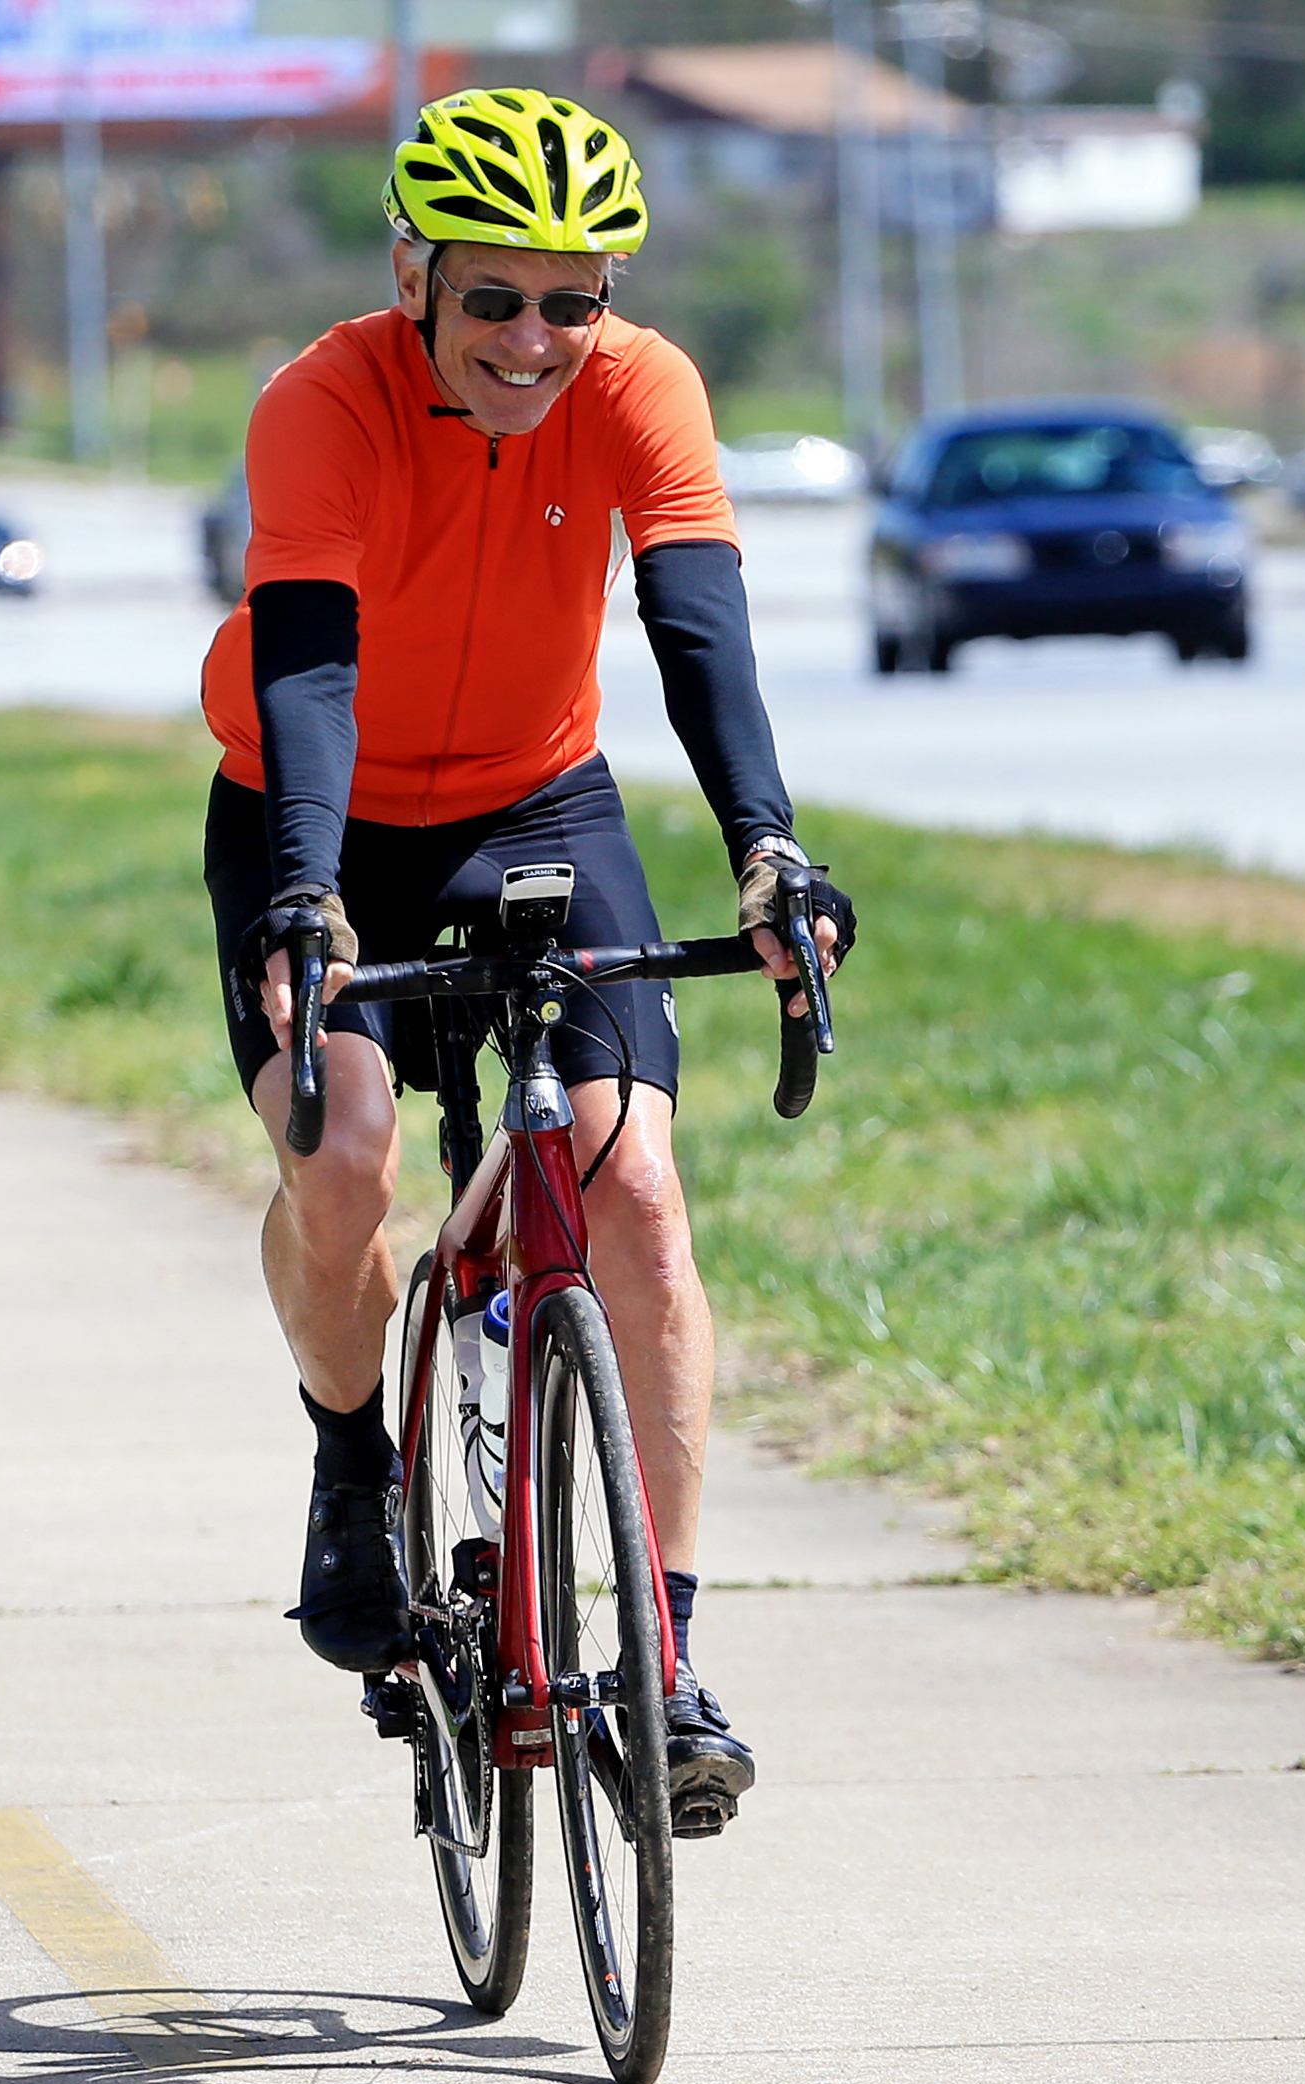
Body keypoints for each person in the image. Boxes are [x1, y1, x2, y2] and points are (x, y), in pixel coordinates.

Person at [201, 89, 854, 1832]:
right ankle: (357, 1468)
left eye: (575, 300)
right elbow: (311, 655)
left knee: (633, 1189)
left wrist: (767, 846)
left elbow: (697, 620)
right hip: (314, 810)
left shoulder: (642, 386)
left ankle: (667, 1651)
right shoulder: (322, 402)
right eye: (495, 298)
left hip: (535, 801)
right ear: (415, 273)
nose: (538, 341)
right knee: (341, 1150)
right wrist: (307, 891)